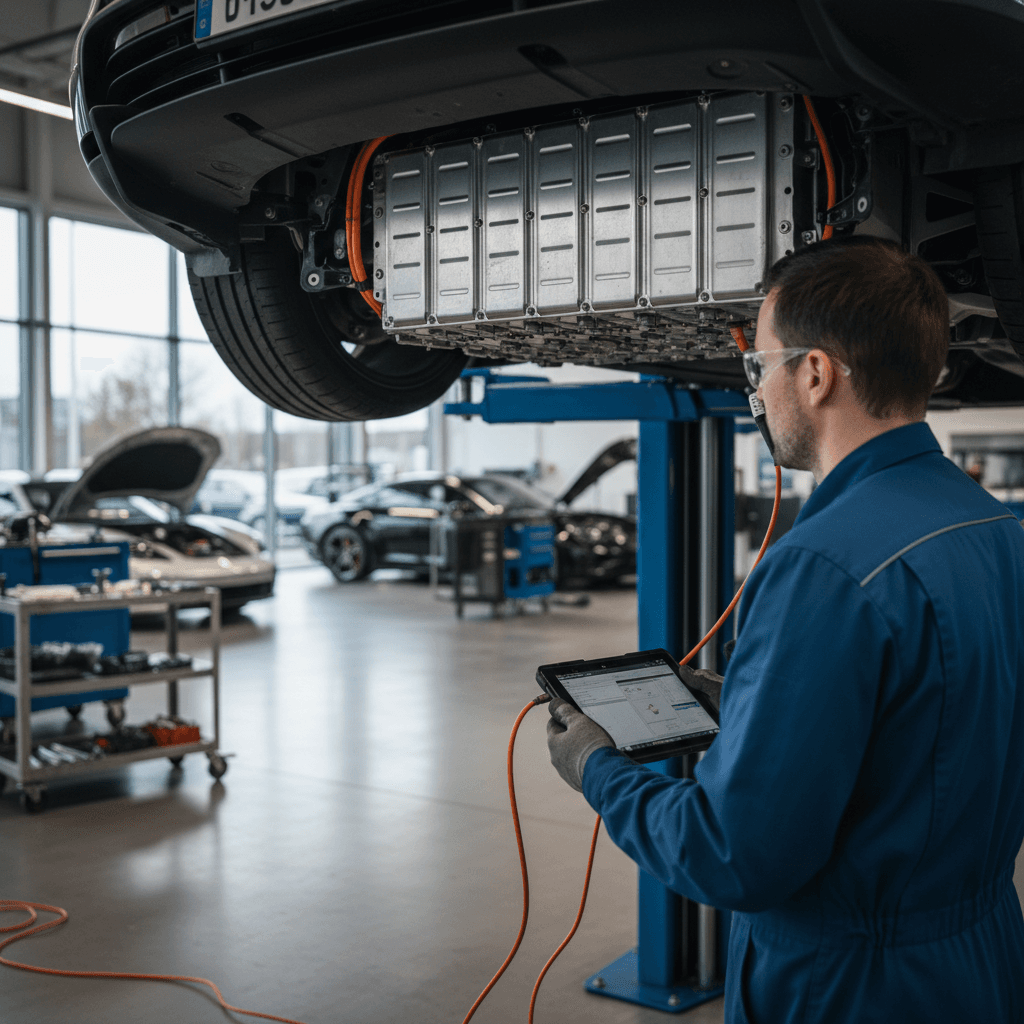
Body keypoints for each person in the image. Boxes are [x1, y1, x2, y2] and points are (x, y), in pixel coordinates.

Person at [547, 236, 1024, 1023]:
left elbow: (735, 856)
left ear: (815, 373)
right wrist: (749, 705)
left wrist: (597, 769)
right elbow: (925, 728)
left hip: (852, 988)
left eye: (759, 365)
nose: (757, 392)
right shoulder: (993, 526)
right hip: (983, 953)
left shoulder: (822, 567)